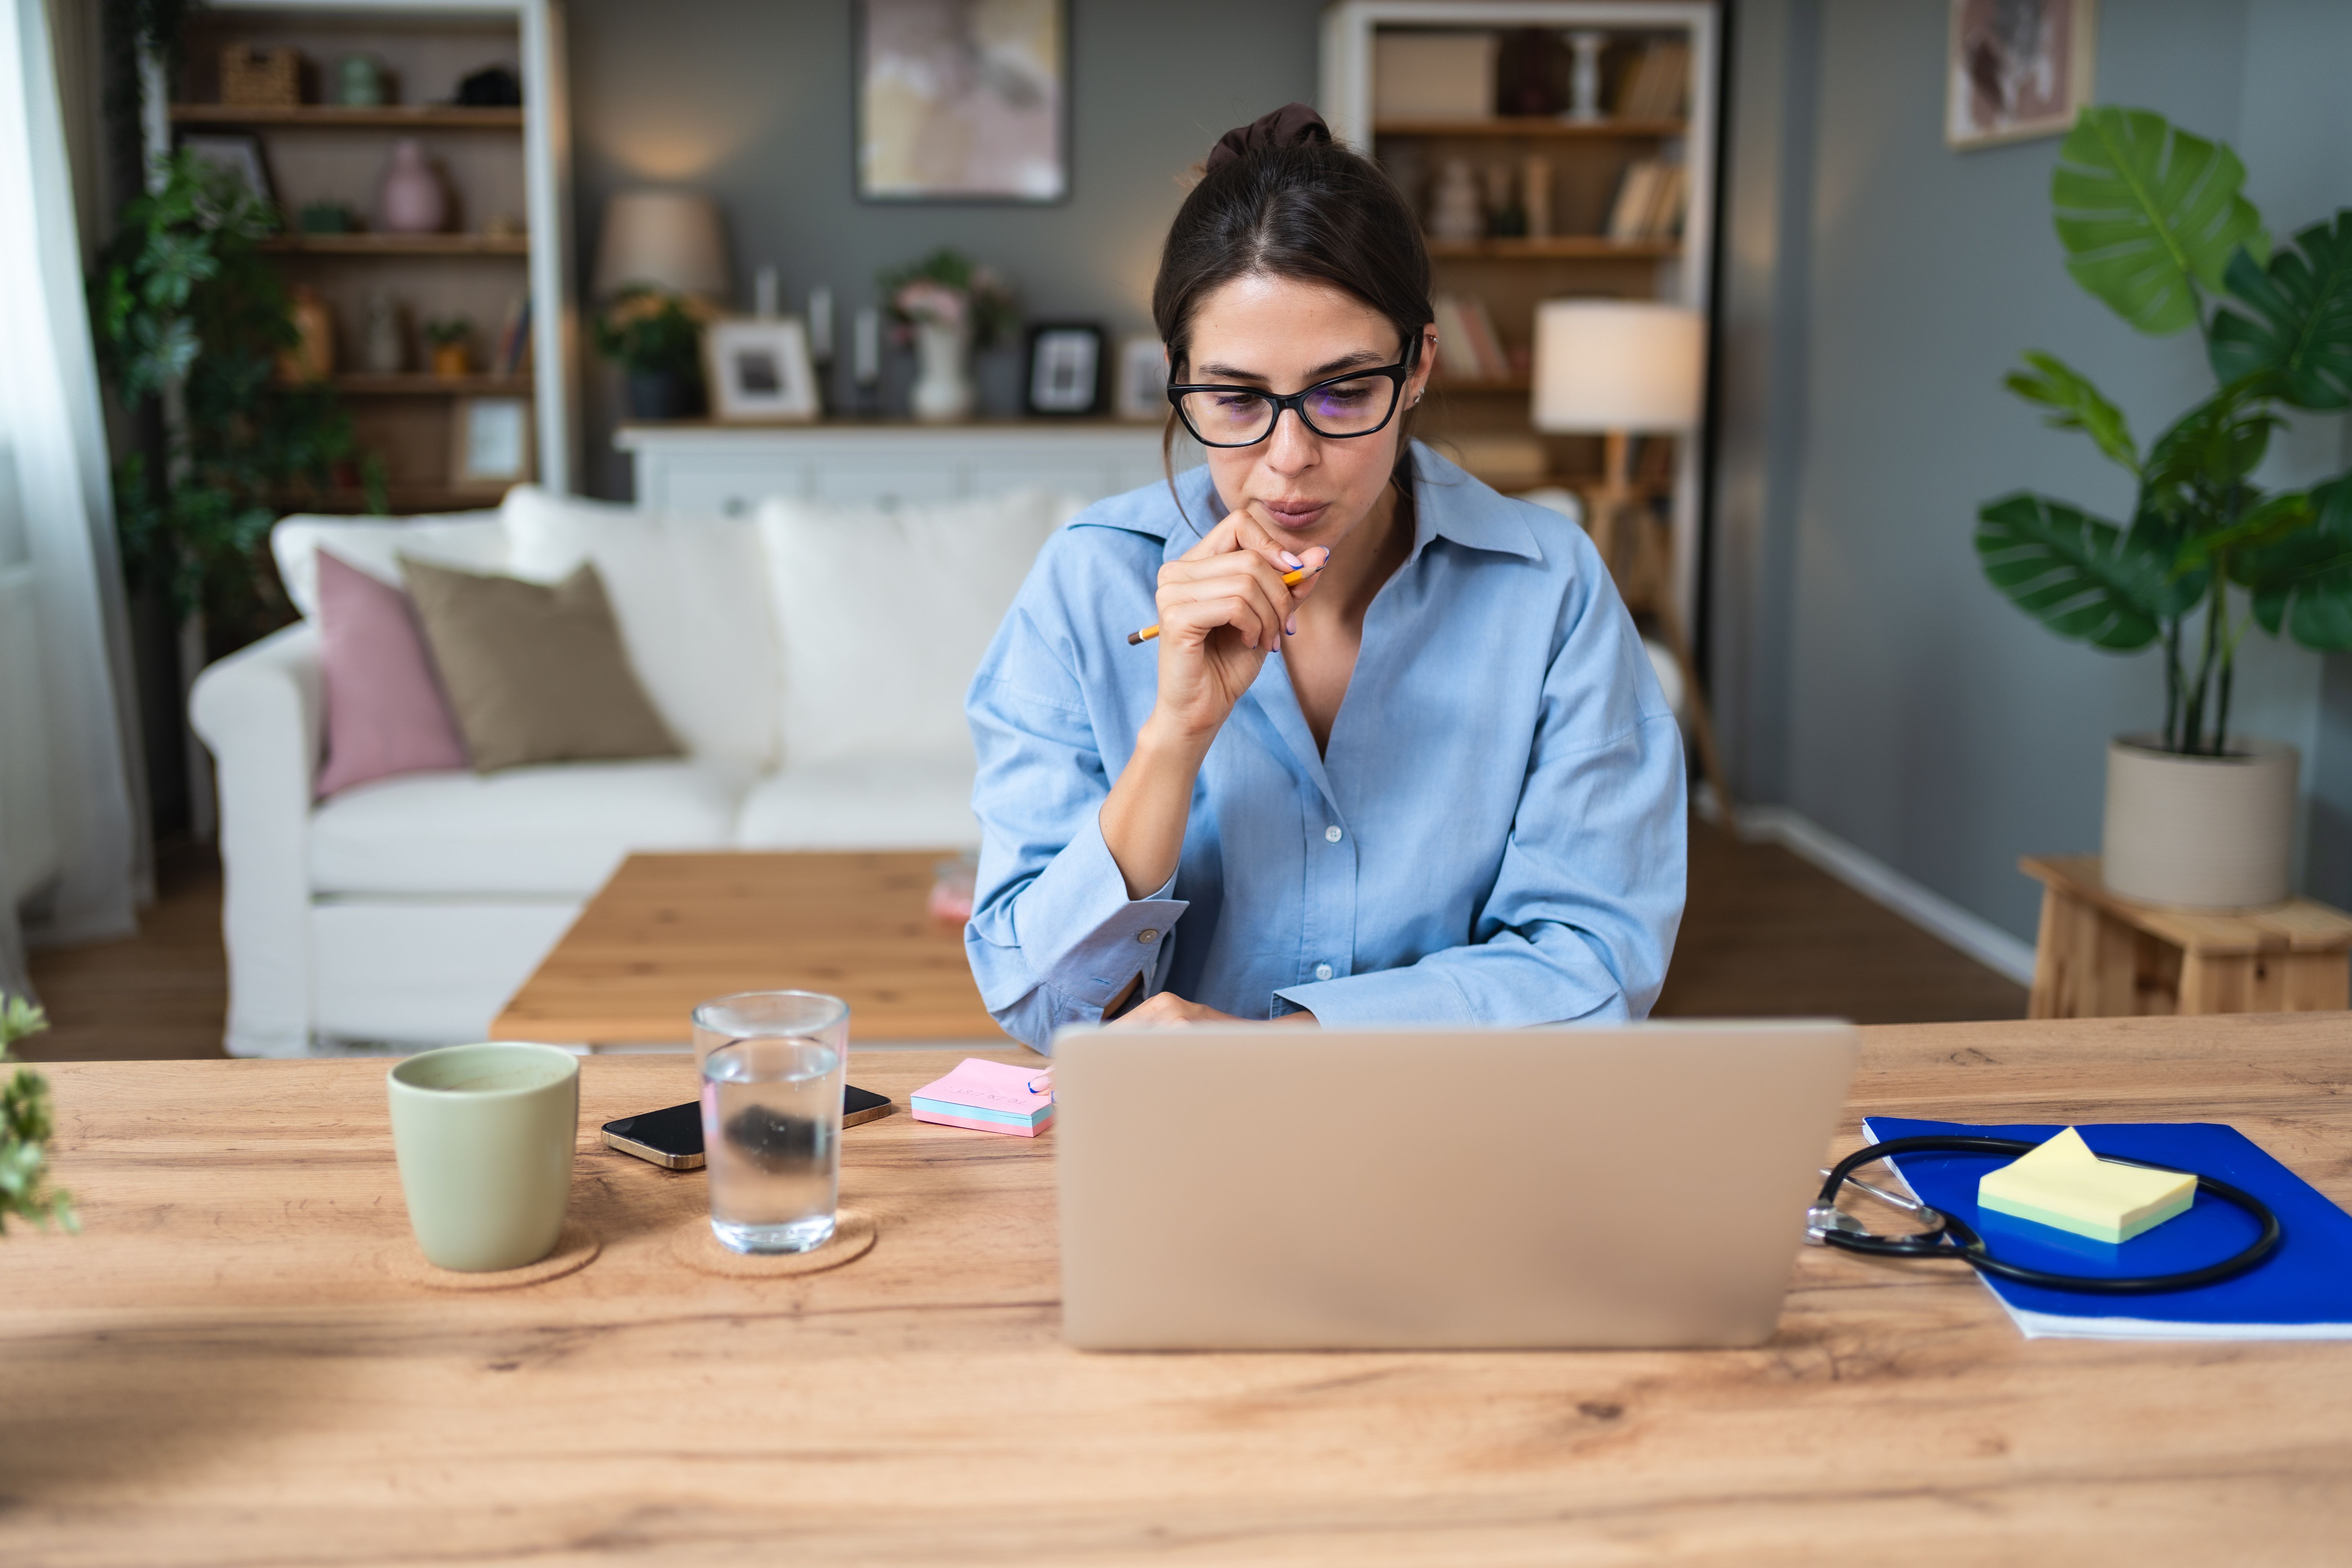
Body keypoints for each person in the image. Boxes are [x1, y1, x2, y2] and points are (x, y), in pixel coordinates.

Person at [963, 104, 1686, 1052]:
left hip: (1452, 1135)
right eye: (1235, 398)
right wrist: (1174, 741)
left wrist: (1286, 1051)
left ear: (1419, 365)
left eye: (1344, 391)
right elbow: (1038, 1002)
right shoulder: (1086, 582)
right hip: (1174, 1149)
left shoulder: (1551, 591)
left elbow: (1595, 967)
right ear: (1178, 379)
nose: (1289, 460)